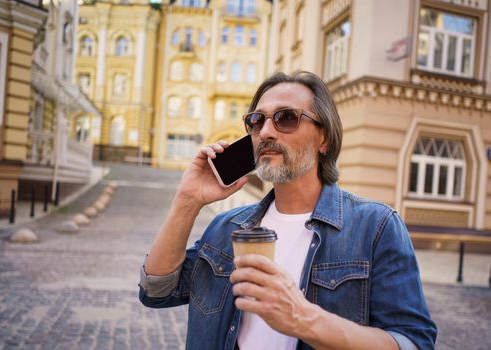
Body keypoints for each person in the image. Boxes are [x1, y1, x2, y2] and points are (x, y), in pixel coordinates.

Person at [139, 71, 437, 350]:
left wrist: (305, 319)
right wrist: (188, 200)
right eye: (257, 121)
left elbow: (413, 341)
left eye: (286, 118)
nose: (266, 131)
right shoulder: (226, 228)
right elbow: (156, 291)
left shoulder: (376, 227)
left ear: (325, 138)